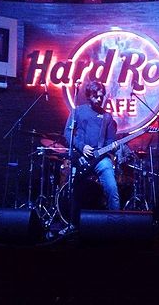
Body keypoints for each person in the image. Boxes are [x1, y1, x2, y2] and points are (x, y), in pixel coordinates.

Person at [63, 81, 119, 229]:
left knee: (112, 189)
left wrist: (113, 147)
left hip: (101, 159)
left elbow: (111, 140)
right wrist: (82, 146)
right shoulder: (78, 111)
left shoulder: (107, 117)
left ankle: (115, 226)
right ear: (89, 96)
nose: (100, 99)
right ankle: (73, 225)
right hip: (81, 157)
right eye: (96, 97)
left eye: (102, 96)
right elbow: (67, 133)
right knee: (76, 192)